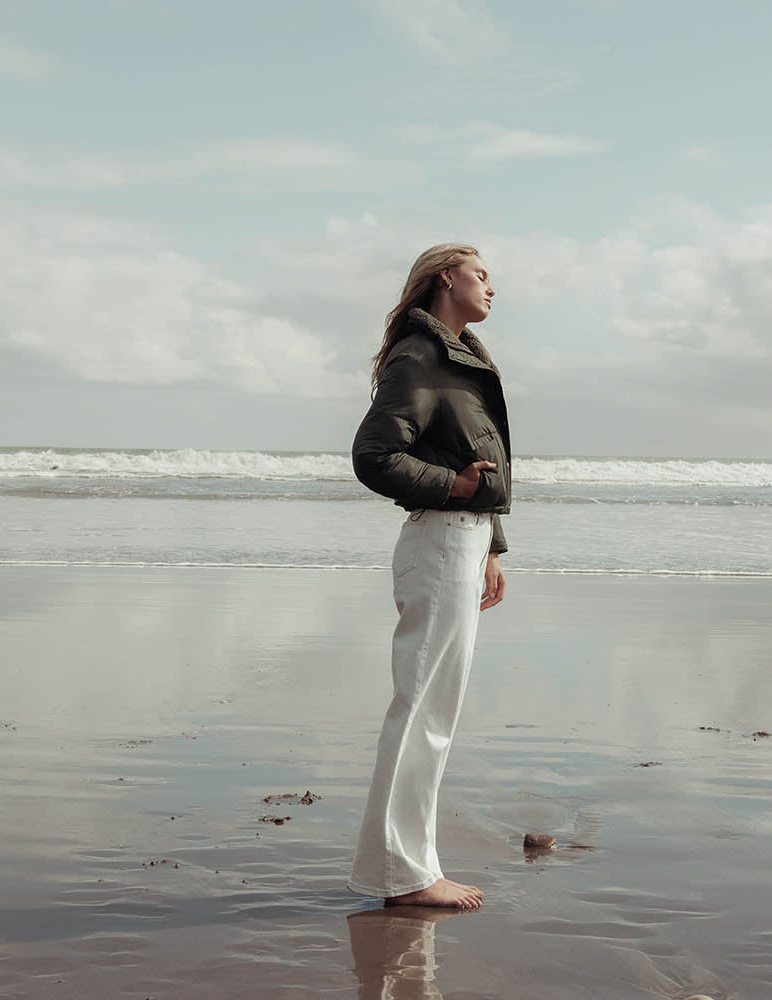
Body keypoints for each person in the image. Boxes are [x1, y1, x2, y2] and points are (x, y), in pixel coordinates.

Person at [347, 243, 512, 910]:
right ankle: (404, 874)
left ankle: (406, 867)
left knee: (433, 713)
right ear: (446, 278)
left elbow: (479, 460)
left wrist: (492, 546)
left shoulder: (463, 354)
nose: (491, 288)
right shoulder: (422, 356)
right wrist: (454, 489)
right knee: (422, 713)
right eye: (480, 275)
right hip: (441, 542)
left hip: (462, 543)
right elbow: (375, 455)